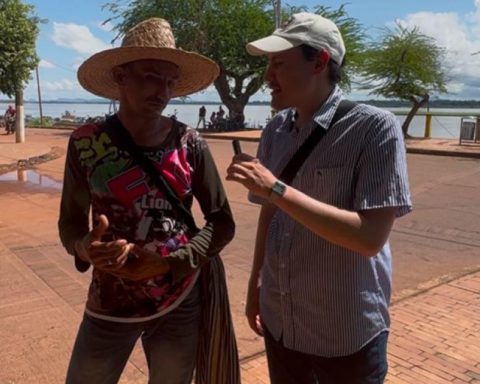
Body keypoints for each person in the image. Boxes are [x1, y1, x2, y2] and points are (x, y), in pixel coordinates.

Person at [226, 12, 412, 384]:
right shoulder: (277, 129)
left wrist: (276, 188)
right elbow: (270, 215)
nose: (267, 77)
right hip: (282, 322)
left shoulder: (375, 128)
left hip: (345, 335)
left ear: (320, 62)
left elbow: (369, 238)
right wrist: (255, 288)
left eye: (279, 63)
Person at [58, 18, 239, 384]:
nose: (163, 91)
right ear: (121, 76)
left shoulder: (190, 144)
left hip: (179, 298)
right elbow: (71, 222)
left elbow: (222, 221)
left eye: (170, 82)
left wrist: (168, 263)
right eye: (151, 76)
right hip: (110, 302)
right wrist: (85, 249)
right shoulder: (87, 143)